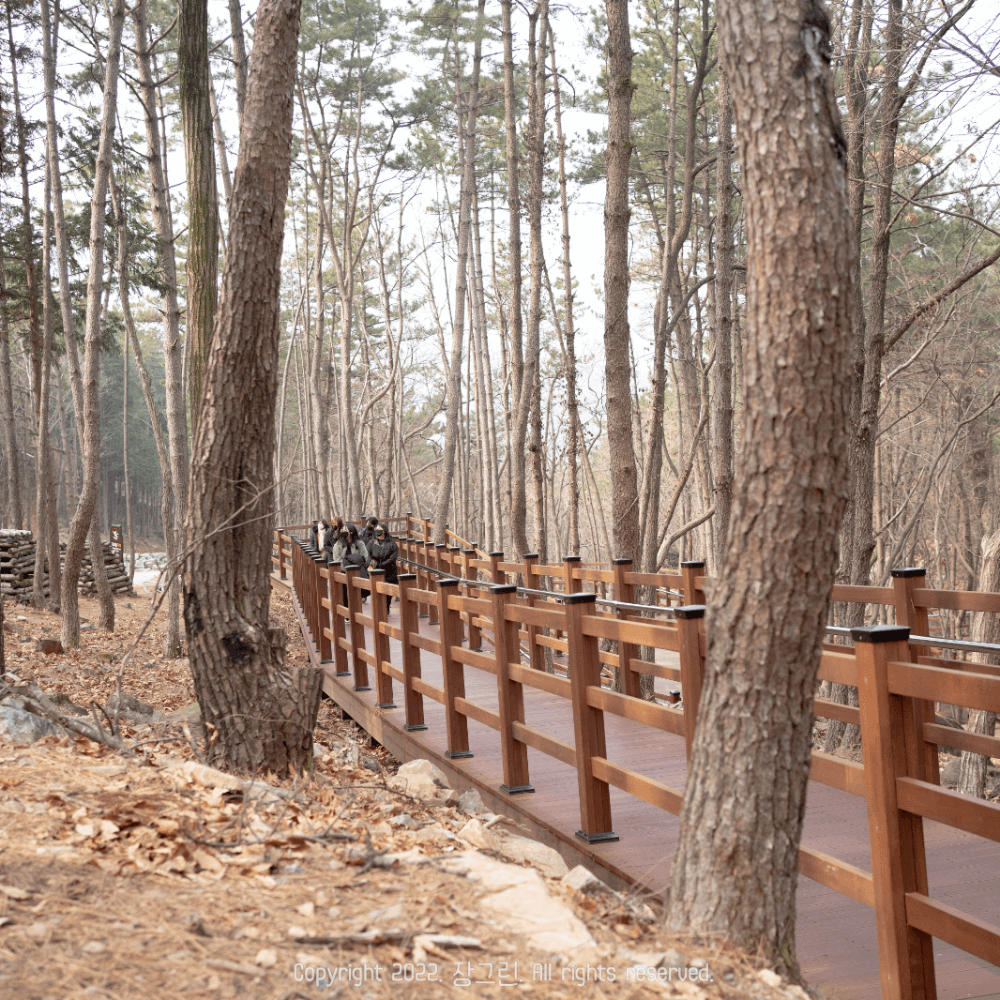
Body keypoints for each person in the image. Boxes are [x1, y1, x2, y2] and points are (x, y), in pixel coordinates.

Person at [368, 525, 399, 613]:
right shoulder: (372, 542)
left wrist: (382, 565)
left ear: (384, 531)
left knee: (388, 590)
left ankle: (387, 606)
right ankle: (380, 607)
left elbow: (393, 557)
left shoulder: (391, 543)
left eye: (379, 529)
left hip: (389, 569)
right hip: (376, 570)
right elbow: (367, 553)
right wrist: (372, 563)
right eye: (376, 529)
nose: (377, 531)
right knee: (377, 589)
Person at [339, 523, 370, 605]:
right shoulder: (338, 544)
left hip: (357, 572)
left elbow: (365, 558)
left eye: (346, 530)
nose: (343, 532)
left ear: (351, 532)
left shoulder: (360, 543)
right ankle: (347, 615)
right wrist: (346, 569)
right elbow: (337, 559)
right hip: (344, 573)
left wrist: (357, 567)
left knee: (355, 599)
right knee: (345, 597)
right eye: (342, 530)